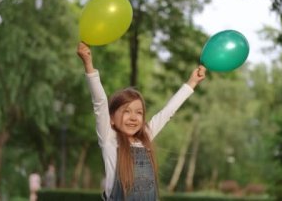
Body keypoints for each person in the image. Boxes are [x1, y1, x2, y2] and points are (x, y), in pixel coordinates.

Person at [77, 42, 206, 200]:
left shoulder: (145, 137)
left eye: (139, 112)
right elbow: (100, 102)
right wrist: (88, 64)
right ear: (111, 120)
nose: (133, 117)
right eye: (126, 111)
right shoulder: (110, 140)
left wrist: (192, 82)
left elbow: (168, 111)